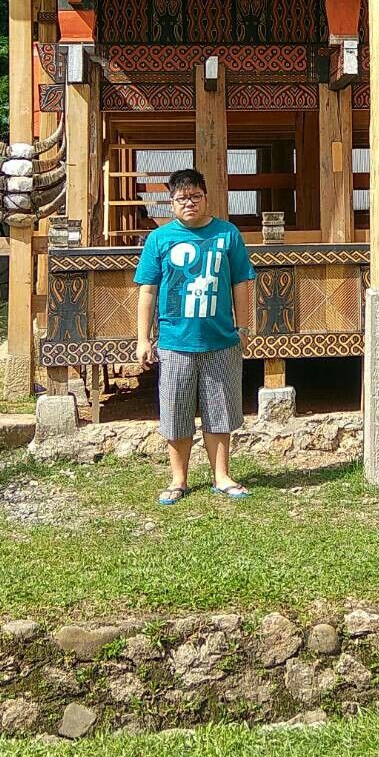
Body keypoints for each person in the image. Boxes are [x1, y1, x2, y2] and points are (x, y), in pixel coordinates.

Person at [134, 167, 256, 505]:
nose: (189, 203)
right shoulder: (160, 239)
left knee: (220, 411)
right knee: (176, 413)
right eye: (181, 198)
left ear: (206, 197)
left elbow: (242, 282)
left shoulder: (227, 234)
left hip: (220, 339)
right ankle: (178, 479)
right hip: (175, 341)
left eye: (195, 196)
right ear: (171, 203)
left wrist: (243, 327)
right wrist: (143, 339)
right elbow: (147, 290)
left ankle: (222, 476)